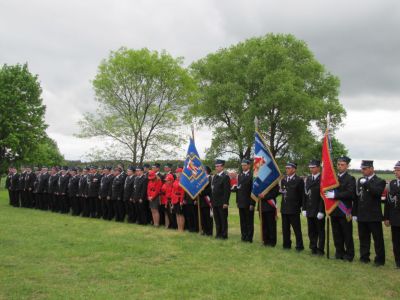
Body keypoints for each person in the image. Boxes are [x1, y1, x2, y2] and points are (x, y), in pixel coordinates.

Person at [354, 160, 386, 266]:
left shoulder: (380, 181)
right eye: (362, 169)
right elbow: (357, 197)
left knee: (377, 239)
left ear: (371, 169)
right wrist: (355, 213)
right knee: (363, 238)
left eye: (365, 169)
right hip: (362, 214)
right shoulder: (360, 180)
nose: (362, 171)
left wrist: (367, 184)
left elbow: (377, 193)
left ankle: (379, 259)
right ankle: (364, 257)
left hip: (373, 215)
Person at [324, 156, 356, 261]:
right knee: (336, 233)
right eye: (338, 164)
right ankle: (339, 252)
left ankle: (349, 254)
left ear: (347, 166)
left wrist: (335, 195)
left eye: (342, 165)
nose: (340, 166)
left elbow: (350, 193)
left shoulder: (350, 179)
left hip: (344, 210)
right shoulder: (333, 178)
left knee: (347, 234)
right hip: (334, 210)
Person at [280, 162, 304, 251]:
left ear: (294, 169)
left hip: (294, 208)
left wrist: (301, 207)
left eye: (289, 168)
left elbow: (302, 195)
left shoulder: (299, 180)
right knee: (285, 228)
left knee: (296, 229)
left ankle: (299, 246)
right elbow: (283, 191)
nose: (287, 170)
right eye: (286, 168)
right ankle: (286, 245)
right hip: (285, 207)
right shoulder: (284, 180)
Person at [303, 159, 325, 255]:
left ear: (318, 167)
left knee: (320, 230)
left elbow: (323, 196)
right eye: (310, 167)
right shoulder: (308, 179)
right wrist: (304, 208)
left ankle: (320, 249)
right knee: (311, 230)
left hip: (318, 208)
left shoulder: (322, 179)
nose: (311, 169)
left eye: (313, 167)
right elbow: (305, 195)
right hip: (309, 208)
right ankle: (313, 247)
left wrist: (321, 210)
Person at [233, 159, 255, 243]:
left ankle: (249, 238)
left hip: (248, 203)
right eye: (242, 165)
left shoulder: (252, 176)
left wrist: (252, 203)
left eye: (245, 165)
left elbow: (253, 191)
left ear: (249, 166)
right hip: (241, 202)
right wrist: (237, 201)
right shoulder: (240, 175)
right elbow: (239, 189)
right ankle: (243, 236)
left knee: (249, 221)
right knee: (242, 221)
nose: (243, 167)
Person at [384, 161, 400, 269]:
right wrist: (386, 217)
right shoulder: (392, 184)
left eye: (398, 170)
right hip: (395, 218)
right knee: (396, 241)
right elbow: (387, 203)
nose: (396, 172)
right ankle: (398, 262)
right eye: (395, 170)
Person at [211, 159, 231, 239]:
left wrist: (225, 202)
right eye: (216, 166)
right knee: (217, 219)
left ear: (222, 167)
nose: (216, 168)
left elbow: (227, 191)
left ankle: (224, 235)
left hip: (222, 202)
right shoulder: (215, 176)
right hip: (215, 202)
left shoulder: (225, 177)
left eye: (218, 166)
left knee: (223, 219)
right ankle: (218, 234)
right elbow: (213, 189)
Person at [199, 166, 213, 236]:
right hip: (201, 200)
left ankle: (209, 232)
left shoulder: (210, 178)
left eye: (203, 170)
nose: (202, 171)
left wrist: (201, 192)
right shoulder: (201, 179)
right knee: (203, 217)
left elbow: (210, 189)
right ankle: (204, 230)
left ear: (207, 171)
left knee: (208, 217)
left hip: (207, 200)